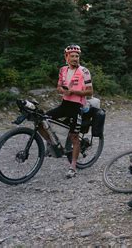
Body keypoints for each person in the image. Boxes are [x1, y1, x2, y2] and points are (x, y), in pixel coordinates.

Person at [40, 45, 93, 178]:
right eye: (72, 56)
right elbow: (58, 87)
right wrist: (62, 90)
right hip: (64, 105)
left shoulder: (84, 71)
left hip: (77, 106)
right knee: (41, 120)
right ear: (66, 57)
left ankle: (73, 167)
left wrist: (73, 91)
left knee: (74, 137)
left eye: (77, 56)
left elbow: (90, 91)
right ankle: (53, 145)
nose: (75, 58)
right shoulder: (63, 70)